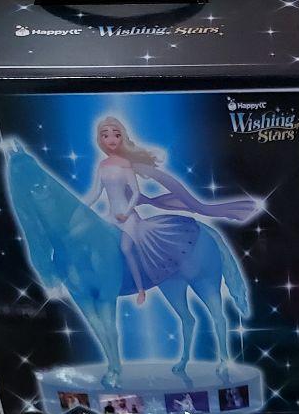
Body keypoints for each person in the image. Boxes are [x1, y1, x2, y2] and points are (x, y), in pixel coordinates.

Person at [84, 116, 258, 305]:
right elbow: (95, 192)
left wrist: (126, 213)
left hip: (128, 218)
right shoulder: (102, 166)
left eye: (116, 135)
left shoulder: (125, 165)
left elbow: (135, 192)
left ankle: (140, 290)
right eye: (106, 135)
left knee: (126, 248)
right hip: (110, 217)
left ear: (122, 138)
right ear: (100, 140)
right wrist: (80, 208)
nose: (111, 139)